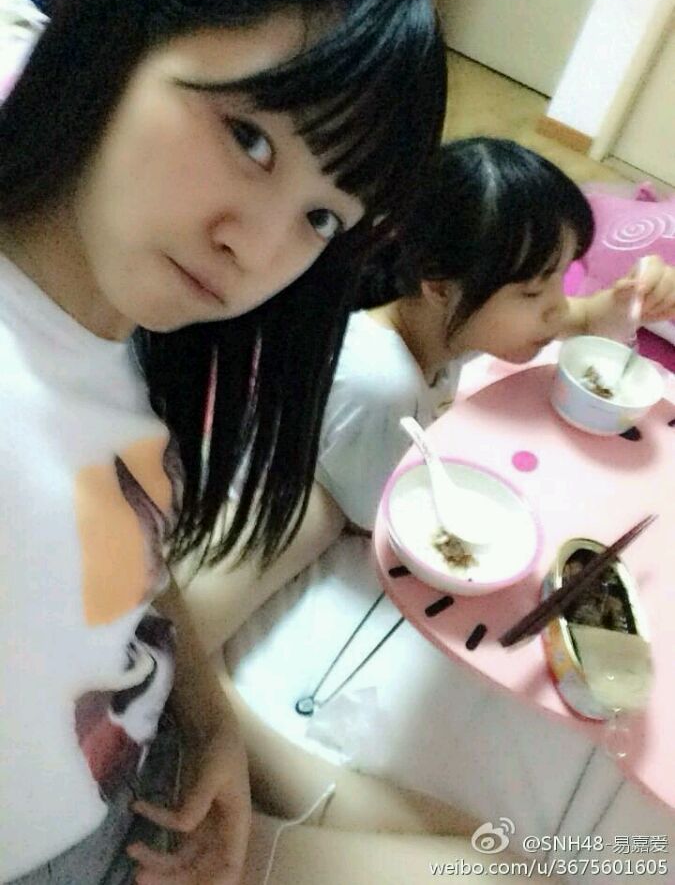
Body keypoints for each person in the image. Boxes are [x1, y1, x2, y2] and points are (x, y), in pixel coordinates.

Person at [0, 0, 448, 883]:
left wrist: (210, 724)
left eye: (322, 217)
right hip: (111, 851)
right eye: (250, 139)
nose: (259, 251)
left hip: (157, 743)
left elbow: (128, 557)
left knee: (536, 851)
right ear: (125, 33)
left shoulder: (121, 324)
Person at [185, 138, 675, 851]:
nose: (554, 311)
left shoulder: (431, 330)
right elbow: (199, 613)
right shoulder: (381, 386)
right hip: (216, 609)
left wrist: (611, 305)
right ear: (440, 285)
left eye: (560, 281)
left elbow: (542, 320)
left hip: (232, 591)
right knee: (485, 840)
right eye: (534, 292)